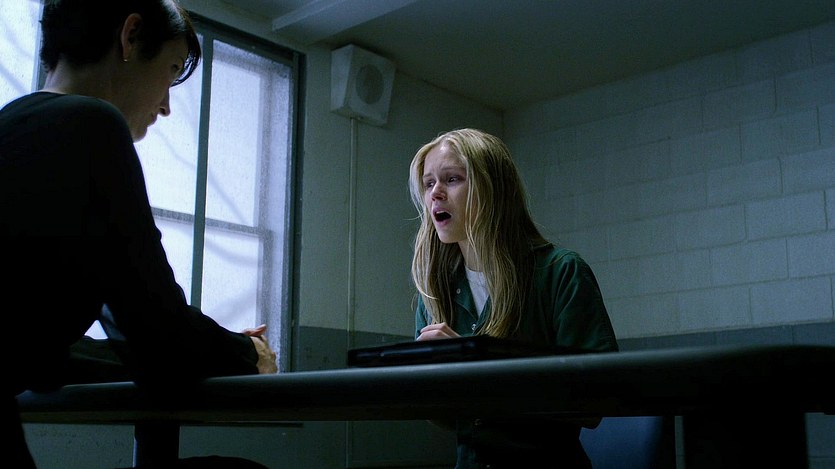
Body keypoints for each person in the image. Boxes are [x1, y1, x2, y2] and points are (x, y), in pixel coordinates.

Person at [0, 1, 277, 467]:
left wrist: (222, 346)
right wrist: (247, 353)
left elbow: (51, 355)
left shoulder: (12, 125)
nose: (166, 106)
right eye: (171, 71)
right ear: (130, 37)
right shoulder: (92, 125)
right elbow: (160, 335)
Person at [409, 128, 619, 469]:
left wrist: (474, 372)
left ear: (494, 189)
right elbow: (446, 417)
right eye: (429, 183)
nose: (435, 193)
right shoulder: (435, 291)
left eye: (452, 179)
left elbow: (595, 402)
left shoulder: (560, 273)